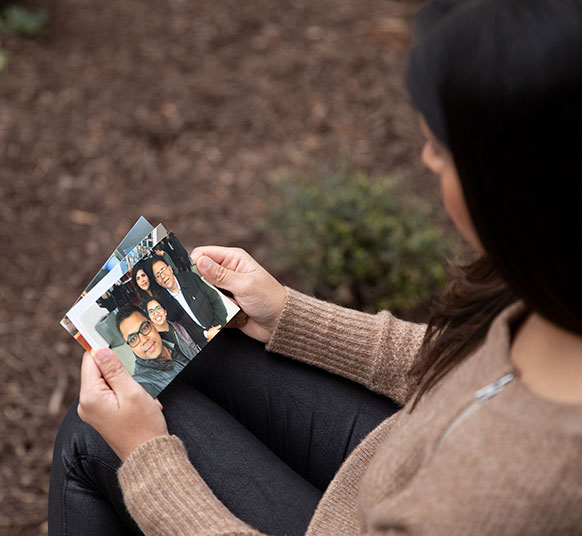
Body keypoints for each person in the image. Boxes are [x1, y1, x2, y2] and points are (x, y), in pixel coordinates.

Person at [49, 0, 582, 534]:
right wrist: (287, 314)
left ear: (514, 185)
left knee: (94, 436)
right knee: (197, 352)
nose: (425, 159)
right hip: (395, 455)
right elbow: (458, 363)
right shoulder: (551, 288)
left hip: (376, 508)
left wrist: (148, 461)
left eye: (440, 148)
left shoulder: (514, 496)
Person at [117, 305, 194, 398]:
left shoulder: (174, 335)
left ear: (153, 324)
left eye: (144, 328)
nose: (144, 340)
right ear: (130, 347)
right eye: (133, 338)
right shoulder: (143, 383)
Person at [151, 256, 227, 341]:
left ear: (170, 269)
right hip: (203, 341)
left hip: (219, 327)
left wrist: (216, 327)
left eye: (163, 269)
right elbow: (183, 330)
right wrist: (206, 335)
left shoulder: (190, 278)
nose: (162, 276)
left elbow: (215, 298)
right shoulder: (166, 303)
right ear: (158, 282)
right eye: (158, 275)